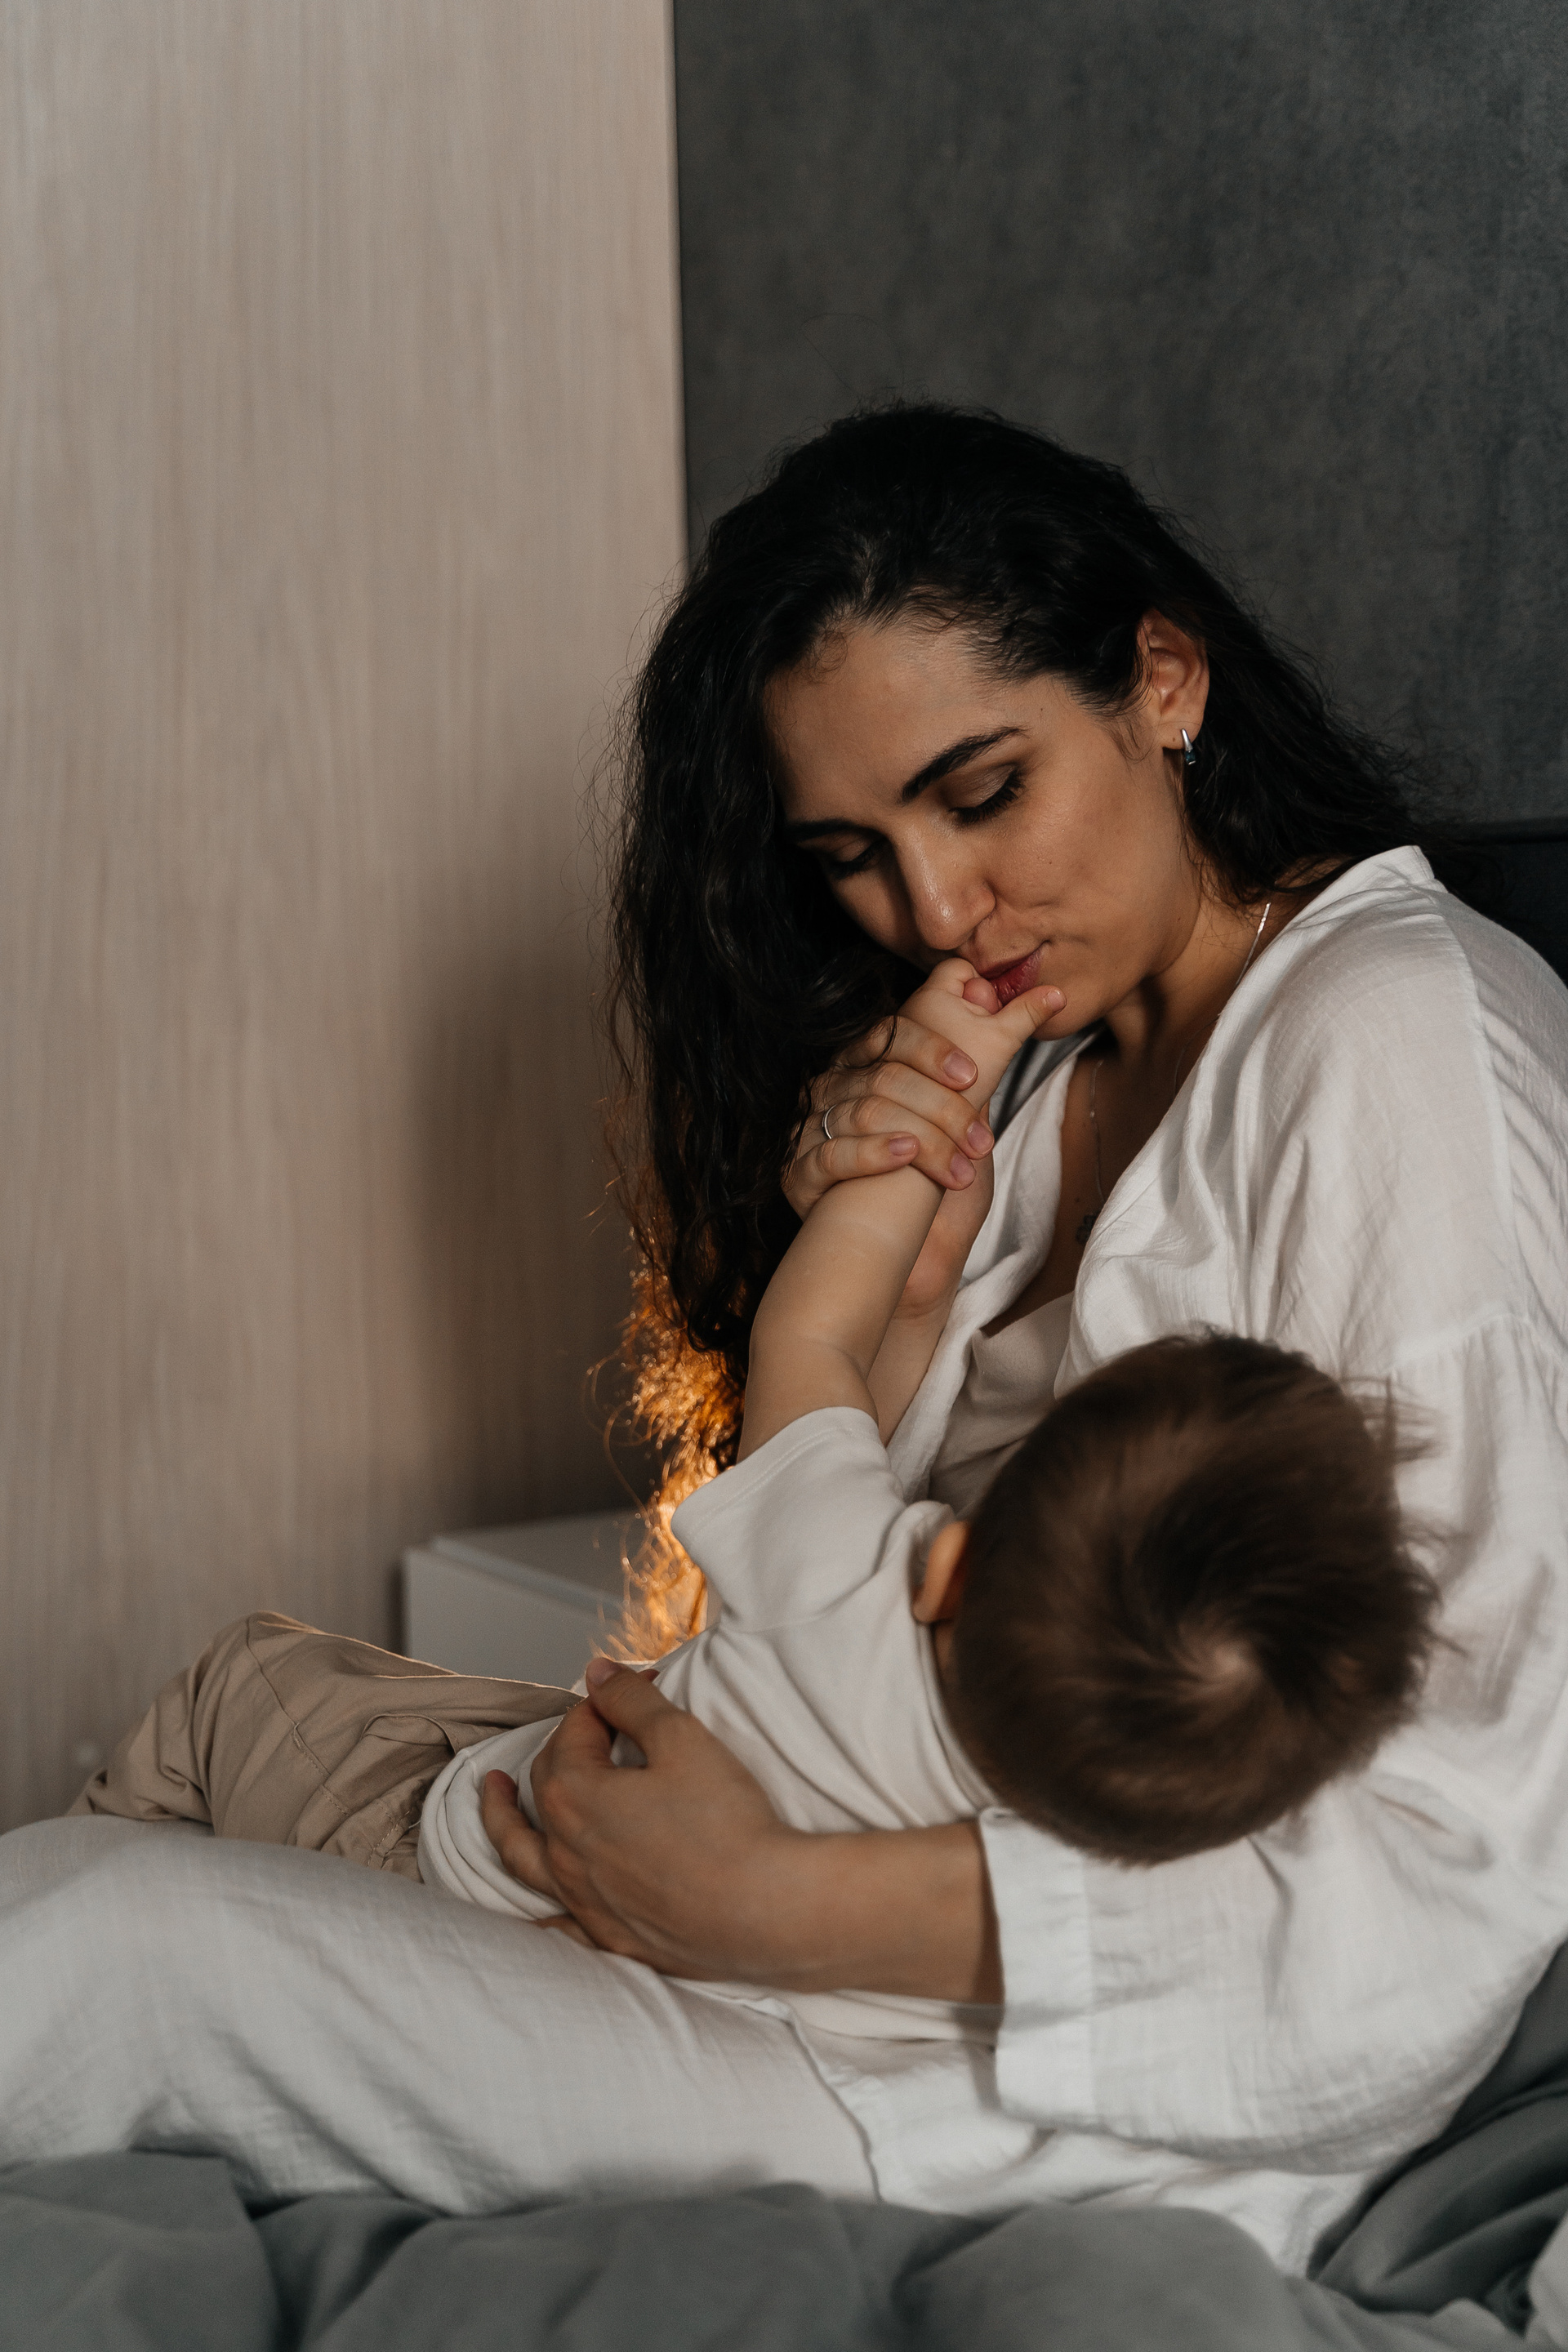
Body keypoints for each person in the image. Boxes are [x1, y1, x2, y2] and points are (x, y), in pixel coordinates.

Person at [6, 405, 1566, 2270]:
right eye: (852, 852)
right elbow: (844, 1571)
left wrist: (782, 1907)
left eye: (980, 793)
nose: (933, 911)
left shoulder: (1392, 1048)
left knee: (117, 1942)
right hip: (794, 1927)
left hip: (994, 2093)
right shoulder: (1045, 1060)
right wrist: (894, 1300)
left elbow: (1457, 1868)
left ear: (1164, 681)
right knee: (192, 1787)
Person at [72, 956, 1437, 2028]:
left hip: (445, 1858)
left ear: (948, 1566)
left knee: (245, 1683)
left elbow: (814, 1334)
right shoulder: (1069, 1836)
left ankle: (65, 1924)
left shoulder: (848, 1583)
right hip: (634, 1983)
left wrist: (941, 1095)